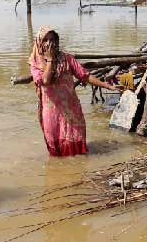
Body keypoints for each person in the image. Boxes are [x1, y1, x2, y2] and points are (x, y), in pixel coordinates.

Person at [28, 27, 121, 156]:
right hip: (52, 113)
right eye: (46, 40)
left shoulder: (66, 58)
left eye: (53, 39)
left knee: (77, 150)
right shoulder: (35, 63)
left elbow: (85, 76)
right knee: (57, 153)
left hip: (72, 110)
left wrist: (107, 86)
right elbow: (46, 81)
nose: (50, 43)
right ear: (39, 42)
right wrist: (50, 59)